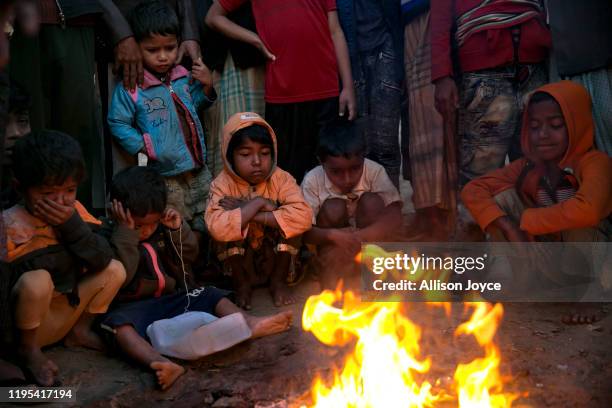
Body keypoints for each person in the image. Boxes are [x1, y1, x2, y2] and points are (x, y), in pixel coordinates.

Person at [100, 165, 293, 390]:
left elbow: (190, 256)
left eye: (152, 223)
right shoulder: (109, 235)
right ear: (116, 212)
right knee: (120, 327)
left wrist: (177, 230)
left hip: (171, 300)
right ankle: (162, 363)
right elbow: (123, 274)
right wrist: (126, 233)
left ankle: (251, 323)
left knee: (209, 293)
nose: (145, 231)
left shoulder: (162, 229)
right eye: (139, 225)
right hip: (133, 309)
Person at [461, 81, 612, 321]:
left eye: (555, 125)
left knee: (580, 215)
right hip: (548, 262)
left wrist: (528, 220)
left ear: (577, 124)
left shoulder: (595, 162)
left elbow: (590, 211)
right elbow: (473, 189)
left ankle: (590, 295)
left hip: (597, 264)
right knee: (501, 199)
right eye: (534, 126)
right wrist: (510, 226)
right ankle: (506, 278)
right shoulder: (528, 166)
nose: (543, 135)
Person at [3, 130, 126, 386]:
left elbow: (102, 258)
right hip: (24, 331)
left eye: (69, 190)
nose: (61, 201)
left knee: (115, 269)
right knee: (37, 281)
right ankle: (28, 352)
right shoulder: (8, 224)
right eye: (48, 193)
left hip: (62, 317)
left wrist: (71, 225)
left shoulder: (75, 212)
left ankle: (80, 332)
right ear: (20, 188)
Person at [206, 0, 356, 182]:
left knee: (328, 171)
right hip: (282, 95)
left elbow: (335, 31)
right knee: (287, 175)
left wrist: (347, 87)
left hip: (325, 90)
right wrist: (255, 39)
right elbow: (213, 17)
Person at [107, 0, 216, 237]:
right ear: (136, 47)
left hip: (198, 170)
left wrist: (207, 86)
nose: (163, 57)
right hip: (165, 175)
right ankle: (182, 267)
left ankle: (206, 263)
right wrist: (143, 146)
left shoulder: (182, 76)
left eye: (170, 47)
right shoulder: (132, 87)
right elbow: (117, 122)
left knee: (207, 218)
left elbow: (194, 106)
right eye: (153, 50)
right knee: (177, 225)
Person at [431, 0, 551, 186]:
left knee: (538, 168)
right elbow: (440, 15)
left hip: (534, 64)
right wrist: (441, 76)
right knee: (481, 174)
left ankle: (531, 215)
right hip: (483, 72)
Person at [205, 112, 312, 310]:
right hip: (237, 266)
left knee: (292, 225)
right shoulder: (221, 185)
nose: (257, 161)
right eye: (245, 154)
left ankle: (278, 282)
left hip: (276, 262)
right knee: (226, 227)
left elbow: (304, 217)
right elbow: (217, 228)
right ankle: (241, 285)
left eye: (264, 153)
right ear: (230, 156)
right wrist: (259, 203)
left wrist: (248, 211)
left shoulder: (281, 178)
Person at [301, 121, 403, 289]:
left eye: (355, 168)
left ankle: (373, 273)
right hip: (334, 248)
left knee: (372, 201)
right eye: (336, 172)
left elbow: (395, 216)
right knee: (333, 207)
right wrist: (335, 236)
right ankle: (330, 275)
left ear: (364, 156)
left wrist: (360, 237)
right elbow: (303, 231)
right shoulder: (313, 180)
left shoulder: (374, 171)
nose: (347, 179)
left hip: (369, 245)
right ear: (321, 161)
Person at [335, 0, 404, 187]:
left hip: (385, 50)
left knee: (386, 144)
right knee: (361, 147)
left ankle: (391, 205)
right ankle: (367, 209)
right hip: (351, 63)